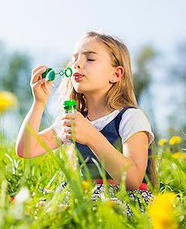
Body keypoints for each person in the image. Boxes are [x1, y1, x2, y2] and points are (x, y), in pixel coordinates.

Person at [15, 31, 158, 217]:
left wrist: (91, 136)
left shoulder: (130, 117)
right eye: (75, 58)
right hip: (84, 195)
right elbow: (26, 149)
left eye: (90, 58)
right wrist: (39, 103)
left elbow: (132, 180)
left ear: (116, 74)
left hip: (124, 200)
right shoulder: (74, 119)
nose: (77, 64)